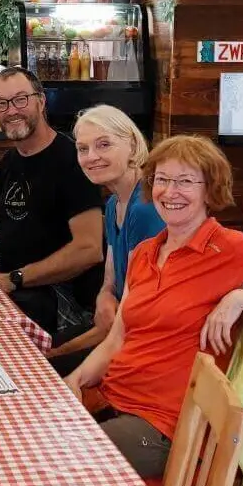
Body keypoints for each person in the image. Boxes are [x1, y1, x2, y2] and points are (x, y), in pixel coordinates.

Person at [64, 135, 243, 478]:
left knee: (64, 464)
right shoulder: (144, 253)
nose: (170, 192)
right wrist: (73, 381)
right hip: (111, 398)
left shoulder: (232, 249)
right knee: (35, 438)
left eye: (185, 181)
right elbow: (116, 341)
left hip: (167, 428)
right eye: (163, 180)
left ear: (210, 190)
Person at [0, 67, 104, 350]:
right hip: (15, 288)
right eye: (2, 103)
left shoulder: (72, 160)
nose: (11, 111)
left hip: (58, 302)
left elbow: (89, 249)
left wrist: (15, 279)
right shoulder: (11, 161)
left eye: (21, 99)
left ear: (41, 102)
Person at [48, 104, 164, 363]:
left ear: (133, 146)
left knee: (45, 362)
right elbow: (110, 281)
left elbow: (132, 312)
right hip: (121, 326)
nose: (91, 157)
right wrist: (104, 295)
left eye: (104, 145)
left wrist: (53, 355)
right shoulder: (114, 204)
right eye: (82, 149)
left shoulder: (145, 207)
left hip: (147, 341)